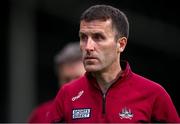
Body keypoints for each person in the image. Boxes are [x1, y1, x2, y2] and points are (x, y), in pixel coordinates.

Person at [47, 5, 180, 123]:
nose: (88, 46)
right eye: (83, 37)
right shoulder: (67, 93)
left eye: (98, 37)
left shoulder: (154, 94)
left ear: (121, 44)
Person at [27, 42, 86, 123]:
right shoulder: (41, 114)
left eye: (78, 79)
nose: (71, 85)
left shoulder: (105, 110)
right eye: (66, 79)